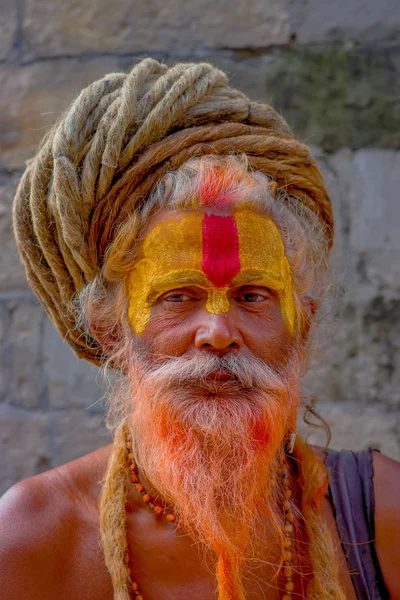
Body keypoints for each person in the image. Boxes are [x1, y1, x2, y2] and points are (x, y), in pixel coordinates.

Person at [0, 58, 399, 600]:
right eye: (177, 296)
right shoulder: (31, 537)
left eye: (252, 295)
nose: (216, 332)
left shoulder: (382, 517)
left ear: (299, 324)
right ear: (111, 331)